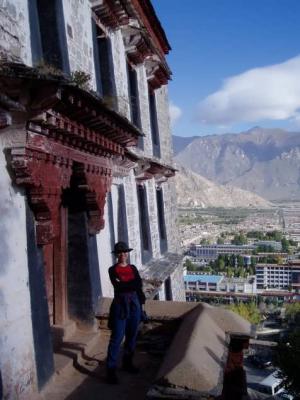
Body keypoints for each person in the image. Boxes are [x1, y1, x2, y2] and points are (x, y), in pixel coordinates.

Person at [106, 241, 146, 384]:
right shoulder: (112, 270)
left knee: (132, 335)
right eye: (120, 253)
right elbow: (119, 287)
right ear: (116, 255)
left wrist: (141, 305)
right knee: (117, 337)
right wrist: (130, 285)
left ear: (127, 254)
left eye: (125, 252)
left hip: (135, 305)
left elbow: (138, 286)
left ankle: (127, 363)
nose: (123, 255)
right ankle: (111, 369)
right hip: (120, 305)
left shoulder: (133, 268)